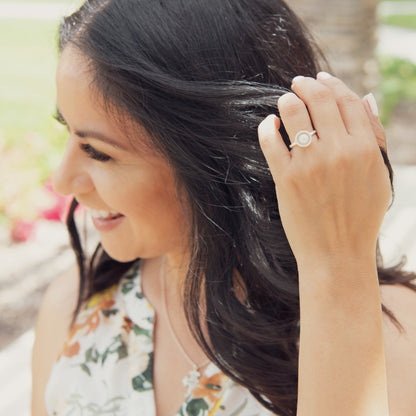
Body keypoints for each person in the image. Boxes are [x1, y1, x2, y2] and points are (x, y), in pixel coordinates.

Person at [31, 0, 416, 415]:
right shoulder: (75, 306)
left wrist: (338, 263)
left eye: (97, 151)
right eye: (67, 135)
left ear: (208, 155)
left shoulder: (387, 329)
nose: (62, 181)